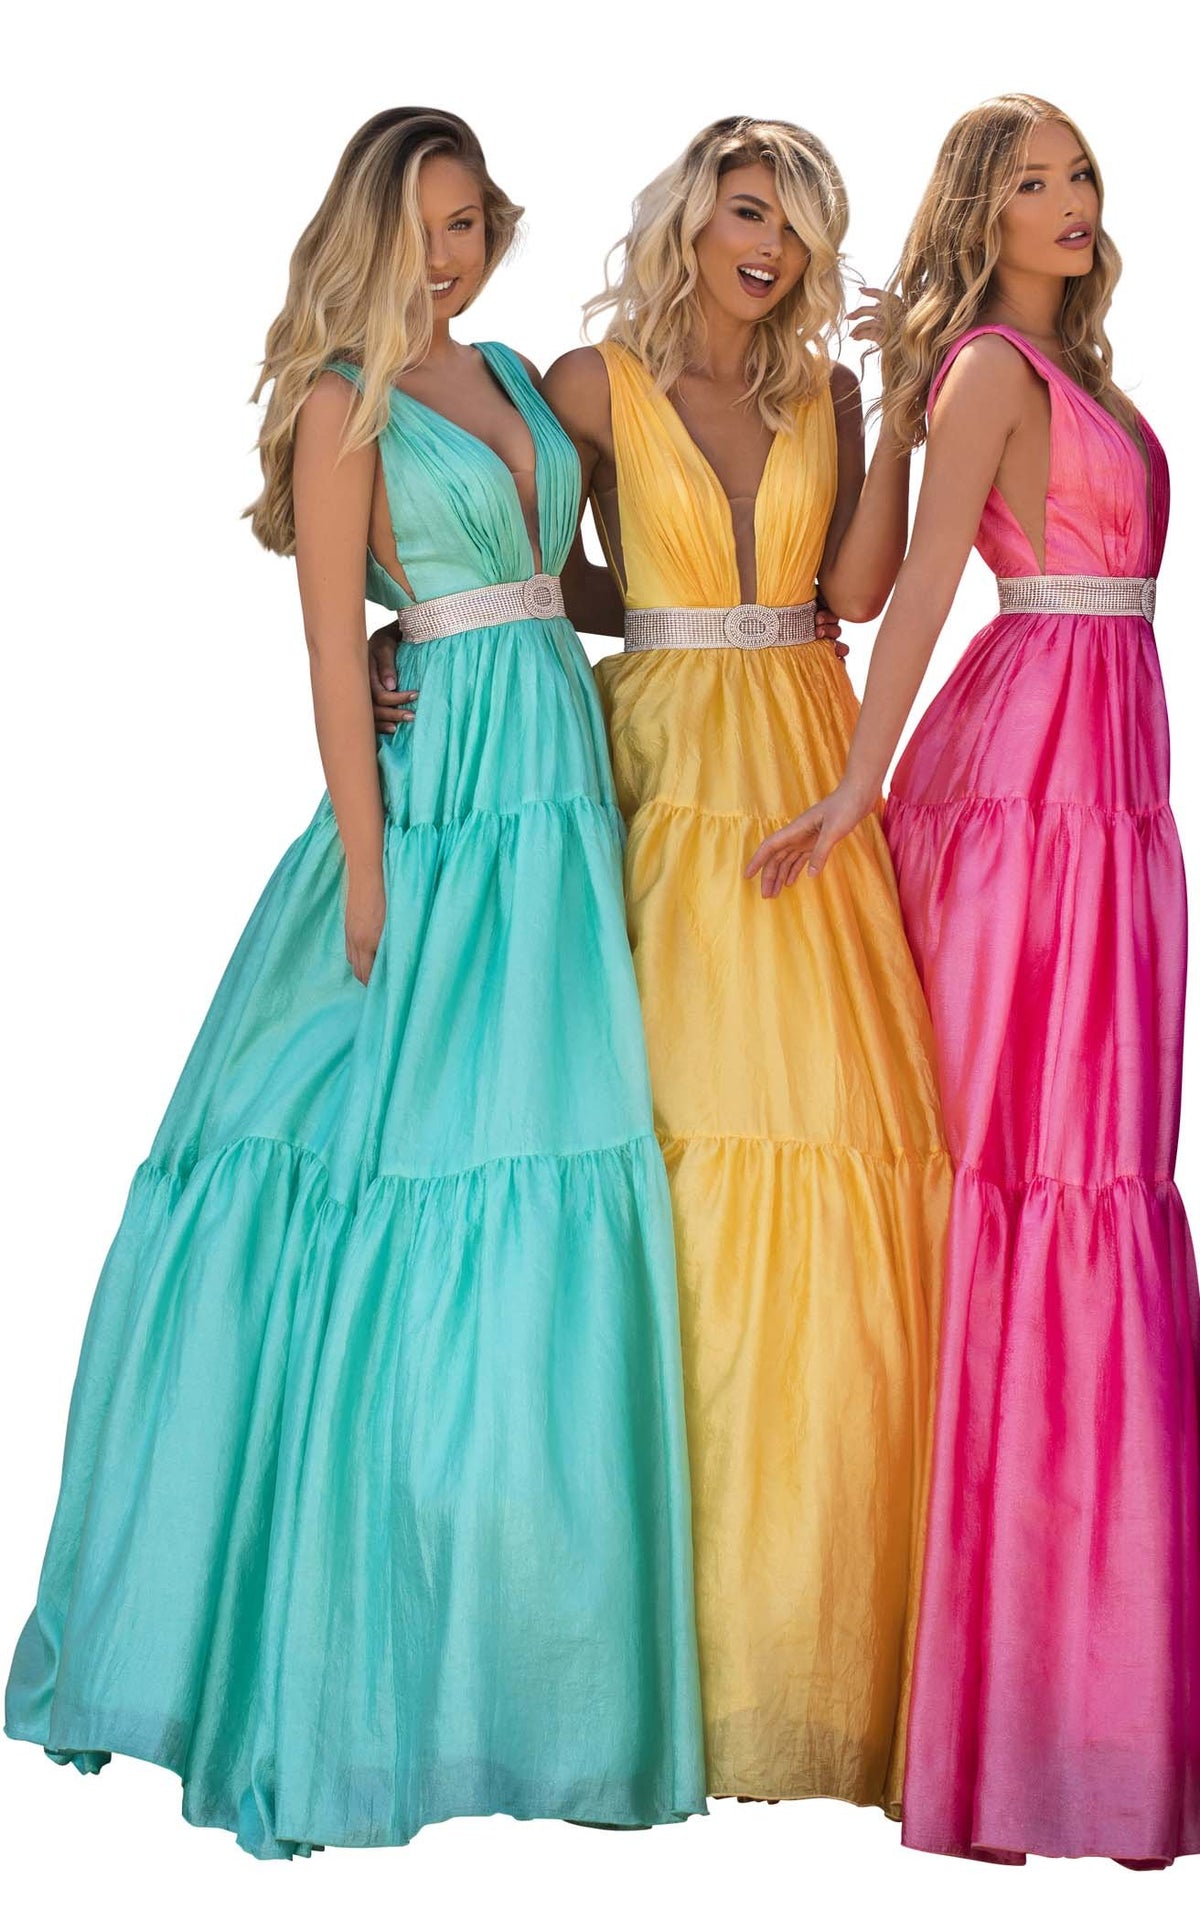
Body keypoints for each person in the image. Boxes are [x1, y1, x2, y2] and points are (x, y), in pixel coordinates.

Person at [5, 106, 707, 1858]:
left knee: (553, 1152)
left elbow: (570, 585)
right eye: (420, 225)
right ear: (366, 236)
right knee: (405, 1169)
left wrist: (727, 619)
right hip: (444, 804)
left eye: (469, 222)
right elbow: (332, 651)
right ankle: (339, 1653)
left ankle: (530, 1650)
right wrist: (375, 872)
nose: (447, 254)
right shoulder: (343, 405)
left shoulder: (525, 386)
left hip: (562, 789)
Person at [396, 116, 950, 1814]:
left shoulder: (825, 393)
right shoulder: (589, 384)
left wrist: (901, 416)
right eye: (746, 209)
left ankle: (797, 1650)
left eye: (798, 222)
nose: (770, 244)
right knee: (660, 1167)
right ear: (691, 221)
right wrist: (414, 624)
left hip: (805, 749)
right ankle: (625, 1653)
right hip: (648, 763)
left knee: (835, 1163)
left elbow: (857, 586)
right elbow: (528, 561)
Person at [748, 94, 1200, 1864]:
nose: (1069, 200)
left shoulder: (1085, 374)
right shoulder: (995, 371)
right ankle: (1008, 1716)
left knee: (1100, 1182)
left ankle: (1082, 1691)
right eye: (1030, 180)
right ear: (978, 210)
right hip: (1024, 804)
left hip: (1117, 802)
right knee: (1026, 1186)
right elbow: (918, 587)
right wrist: (857, 788)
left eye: (1079, 174)